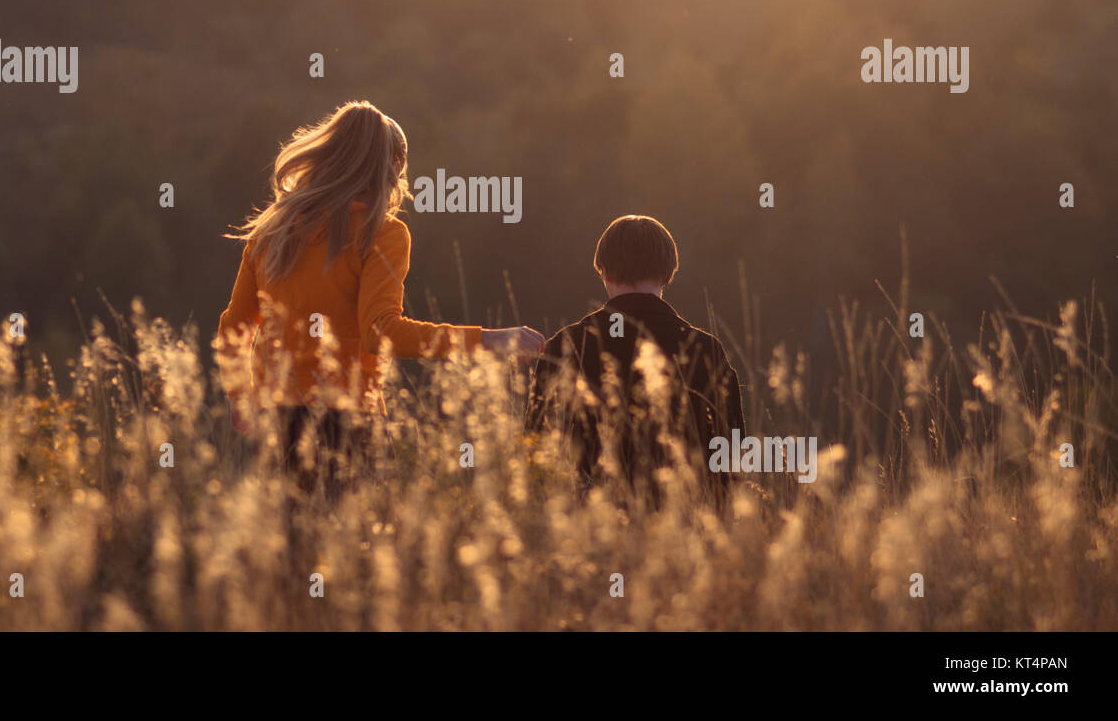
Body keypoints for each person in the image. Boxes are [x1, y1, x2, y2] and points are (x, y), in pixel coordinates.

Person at [217, 100, 543, 499]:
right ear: (390, 169)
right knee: (349, 553)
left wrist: (239, 397)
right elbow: (381, 332)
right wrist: (490, 340)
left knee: (279, 552)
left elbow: (235, 325)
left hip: (272, 417)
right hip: (346, 424)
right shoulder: (382, 233)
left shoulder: (271, 231)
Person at [526, 214, 745, 506]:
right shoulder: (706, 350)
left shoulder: (567, 346)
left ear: (603, 271)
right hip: (686, 528)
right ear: (669, 272)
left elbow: (535, 450)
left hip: (586, 530)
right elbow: (731, 455)